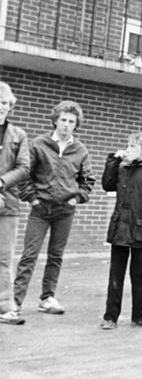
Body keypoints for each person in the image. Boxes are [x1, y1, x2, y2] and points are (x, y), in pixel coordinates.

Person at [14, 100, 95, 315]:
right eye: (63, 120)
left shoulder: (80, 150)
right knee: (29, 255)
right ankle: (15, 301)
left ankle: (47, 298)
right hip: (40, 210)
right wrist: (32, 198)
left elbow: (88, 181)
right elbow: (24, 174)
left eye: (71, 121)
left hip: (64, 211)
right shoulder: (39, 144)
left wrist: (75, 199)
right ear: (55, 121)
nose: (66, 124)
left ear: (76, 124)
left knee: (56, 255)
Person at [99, 132, 142, 330]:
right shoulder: (123, 167)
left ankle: (141, 316)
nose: (128, 149)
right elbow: (107, 184)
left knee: (139, 275)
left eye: (133, 146)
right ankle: (110, 317)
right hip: (120, 228)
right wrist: (113, 160)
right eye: (128, 146)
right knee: (115, 275)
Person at [0, 83, 30, 326]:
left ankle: (4, 305)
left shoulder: (18, 135)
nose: (2, 108)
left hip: (7, 204)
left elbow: (24, 167)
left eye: (6, 103)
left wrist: (1, 182)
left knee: (3, 257)